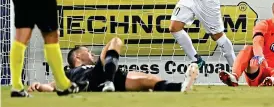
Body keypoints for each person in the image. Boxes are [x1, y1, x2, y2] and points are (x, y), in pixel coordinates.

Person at [27, 37, 199, 93]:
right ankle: (108, 81)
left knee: (146, 79)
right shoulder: (71, 72)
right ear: (78, 56)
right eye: (87, 51)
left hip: (109, 79)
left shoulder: (97, 64)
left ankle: (181, 86)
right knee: (115, 40)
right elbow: (53, 85)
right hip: (92, 79)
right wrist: (39, 86)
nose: (92, 53)